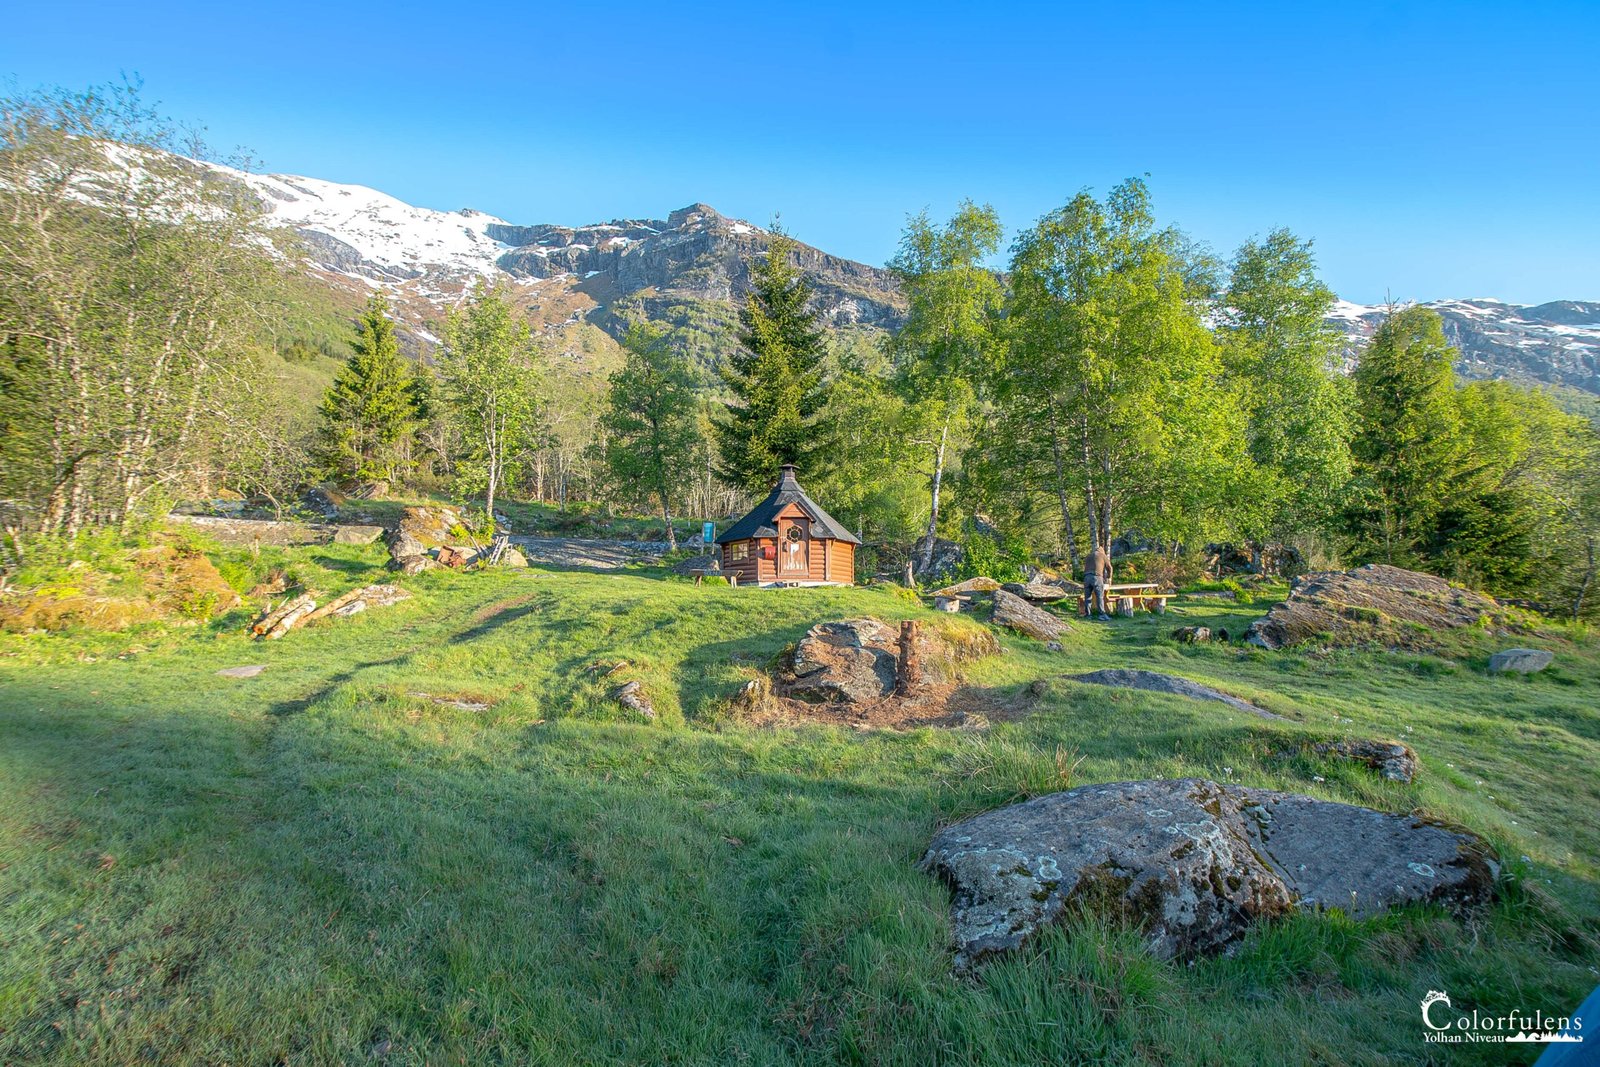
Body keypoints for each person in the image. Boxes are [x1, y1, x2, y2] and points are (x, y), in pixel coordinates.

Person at [1084, 543, 1113, 620]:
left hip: (1086, 577)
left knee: (1087, 597)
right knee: (1099, 597)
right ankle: (1102, 615)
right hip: (1096, 577)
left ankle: (1088, 615)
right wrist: (1109, 577)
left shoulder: (1089, 556)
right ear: (1102, 551)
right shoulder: (1103, 555)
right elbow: (1109, 567)